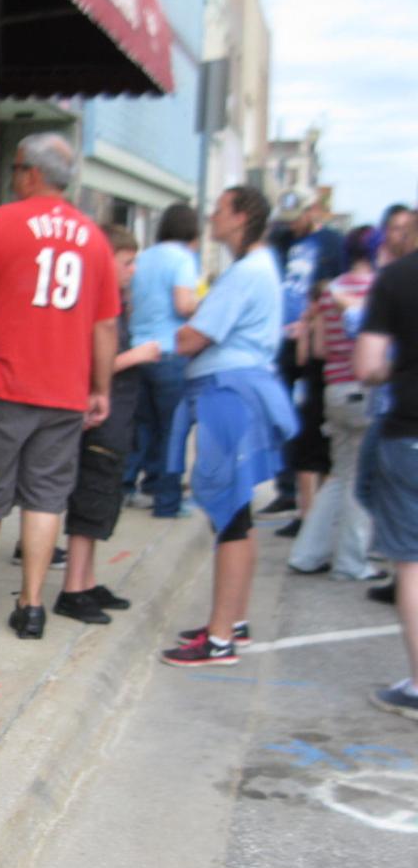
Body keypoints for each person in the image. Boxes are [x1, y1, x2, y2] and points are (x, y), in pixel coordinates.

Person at [0, 133, 119, 640]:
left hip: (1, 385)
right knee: (45, 499)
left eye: (15, 167)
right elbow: (104, 326)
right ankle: (32, 606)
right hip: (64, 393)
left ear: (30, 173)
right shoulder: (94, 239)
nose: (14, 176)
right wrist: (100, 387)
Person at [161, 186, 297, 668]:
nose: (211, 217)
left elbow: (191, 336)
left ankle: (219, 638)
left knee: (229, 509)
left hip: (227, 393)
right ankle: (231, 621)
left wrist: (182, 331)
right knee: (237, 509)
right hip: (241, 389)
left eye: (219, 210)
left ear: (240, 218)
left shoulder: (244, 273)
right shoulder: (263, 267)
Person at [55, 224, 161, 625]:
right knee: (91, 499)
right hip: (101, 421)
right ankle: (72, 589)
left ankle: (88, 579)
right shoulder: (94, 306)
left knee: (104, 503)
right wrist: (137, 356)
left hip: (118, 419)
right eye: (128, 261)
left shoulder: (115, 303)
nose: (133, 269)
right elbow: (91, 365)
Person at [287, 226, 381, 579]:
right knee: (360, 478)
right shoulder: (379, 289)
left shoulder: (331, 291)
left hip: (333, 388)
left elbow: (321, 350)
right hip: (364, 389)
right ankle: (351, 562)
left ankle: (307, 552)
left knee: (340, 475)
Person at [354, 232, 418, 719]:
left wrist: (394, 371)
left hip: (409, 434)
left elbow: (368, 365)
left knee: (411, 564)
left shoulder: (396, 279)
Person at [262, 202, 342, 517]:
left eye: (296, 220)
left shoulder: (332, 243)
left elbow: (334, 289)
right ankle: (287, 489)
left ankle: (316, 500)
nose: (291, 226)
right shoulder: (279, 240)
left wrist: (313, 322)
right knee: (282, 416)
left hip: (312, 341)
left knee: (311, 419)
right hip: (282, 343)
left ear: (312, 212)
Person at [125, 202, 200, 517]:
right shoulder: (182, 258)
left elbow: (129, 304)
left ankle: (127, 486)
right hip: (169, 352)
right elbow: (184, 305)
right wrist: (206, 307)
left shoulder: (144, 258)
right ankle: (167, 500)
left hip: (138, 351)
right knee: (173, 429)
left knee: (142, 426)